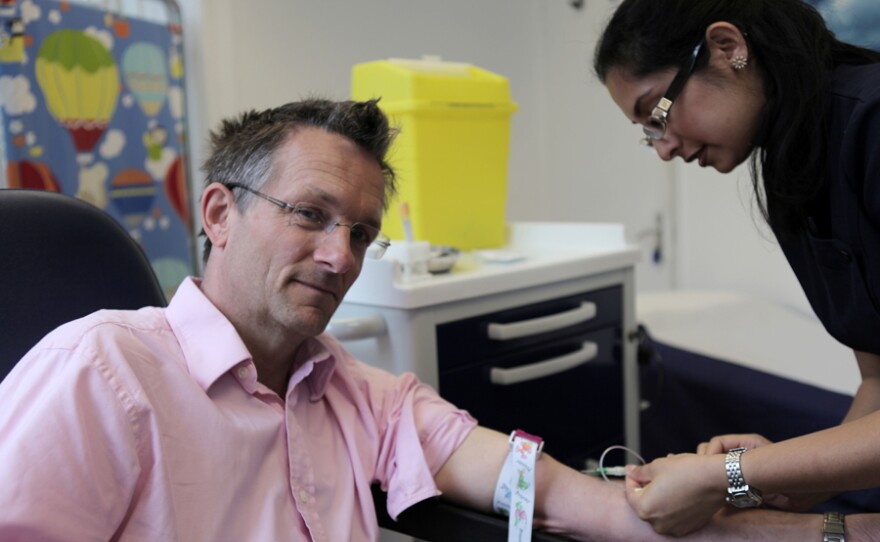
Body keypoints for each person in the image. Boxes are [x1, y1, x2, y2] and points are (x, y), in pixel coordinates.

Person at [0, 98, 848, 541]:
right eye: (310, 214)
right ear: (218, 213)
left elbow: (573, 502)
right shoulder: (103, 374)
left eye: (362, 231)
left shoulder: (359, 396)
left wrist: (834, 532)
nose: (341, 256)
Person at [593, 0, 880, 538]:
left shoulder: (870, 121)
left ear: (728, 48)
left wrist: (725, 475)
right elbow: (878, 379)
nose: (663, 149)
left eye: (657, 113)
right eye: (647, 132)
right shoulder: (797, 167)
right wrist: (786, 479)